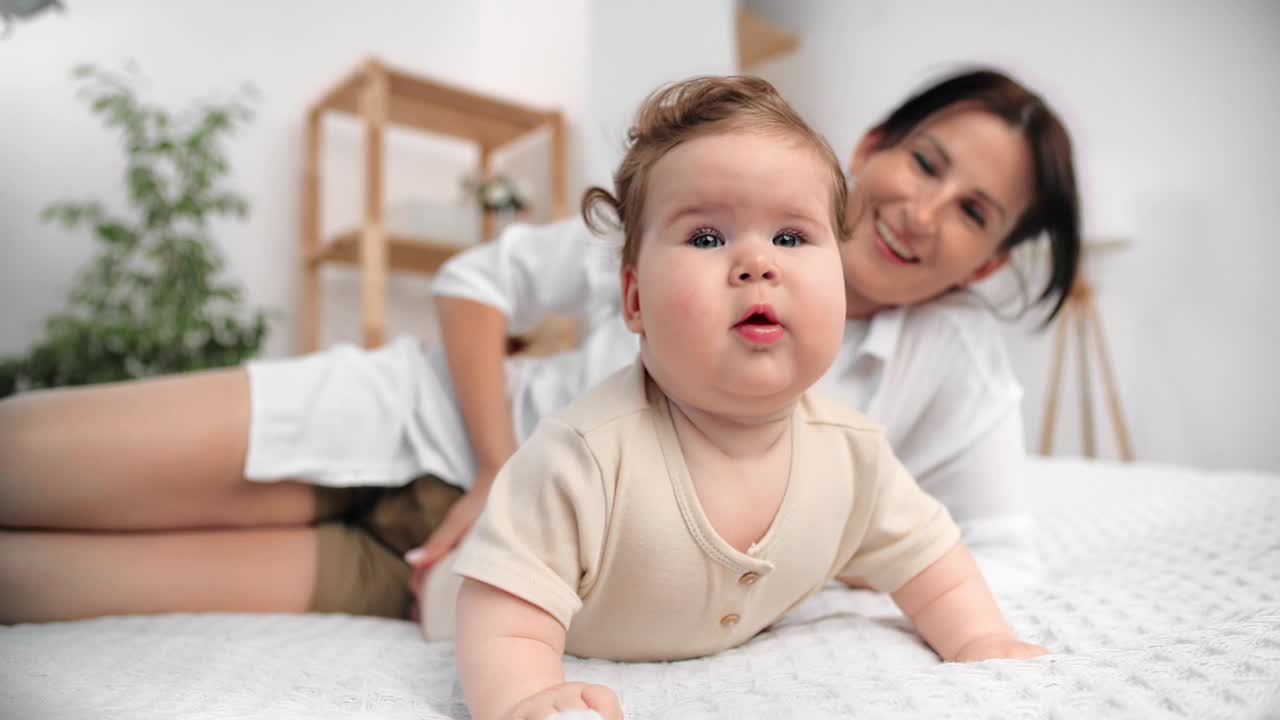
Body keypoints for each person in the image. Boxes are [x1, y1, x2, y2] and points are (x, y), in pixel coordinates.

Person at [0, 66, 1078, 624]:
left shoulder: (954, 368)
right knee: (26, 459)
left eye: (976, 213)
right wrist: (497, 464)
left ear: (984, 264)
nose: (924, 213)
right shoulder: (717, 197)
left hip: (444, 577)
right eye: (926, 162)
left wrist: (805, 557)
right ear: (873, 147)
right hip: (416, 421)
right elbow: (477, 283)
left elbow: (999, 561)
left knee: (31, 585)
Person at [425, 74, 1046, 720]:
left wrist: (980, 640)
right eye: (707, 238)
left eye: (790, 238)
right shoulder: (582, 454)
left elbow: (935, 563)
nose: (757, 264)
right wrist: (524, 696)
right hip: (451, 589)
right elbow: (505, 610)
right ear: (634, 299)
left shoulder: (855, 456)